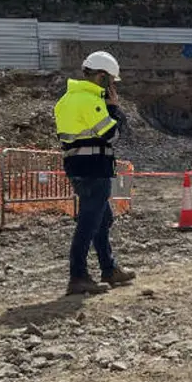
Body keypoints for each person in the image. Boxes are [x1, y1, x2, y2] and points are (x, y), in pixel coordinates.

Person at [53, 51, 136, 295]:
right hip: (94, 168)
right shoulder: (91, 101)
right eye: (110, 80)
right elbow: (113, 135)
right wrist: (114, 109)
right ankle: (78, 276)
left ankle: (109, 268)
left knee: (102, 218)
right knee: (89, 222)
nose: (111, 86)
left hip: (76, 166)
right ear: (101, 77)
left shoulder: (65, 100)